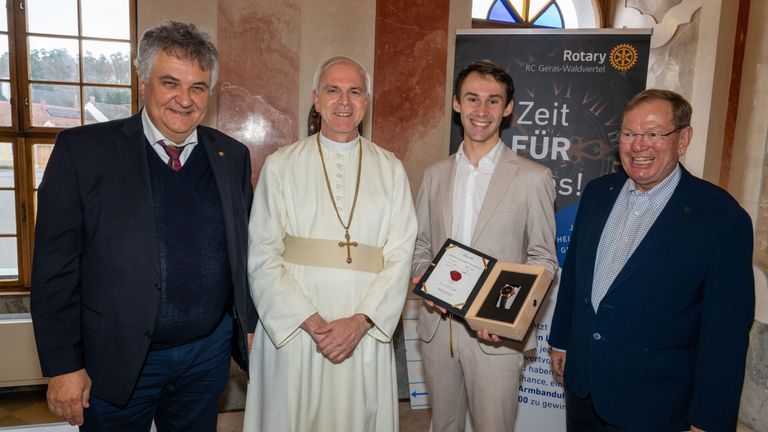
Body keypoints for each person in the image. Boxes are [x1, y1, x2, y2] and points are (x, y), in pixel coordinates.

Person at [30, 21, 256, 431]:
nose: (184, 100)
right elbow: (54, 271)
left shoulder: (232, 157)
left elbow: (246, 255)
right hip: (115, 360)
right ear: (142, 81)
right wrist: (64, 366)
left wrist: (248, 327)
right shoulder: (83, 153)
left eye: (198, 87)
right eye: (170, 83)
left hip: (205, 358)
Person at [549, 89, 754, 431]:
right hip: (584, 389)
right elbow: (574, 277)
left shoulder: (721, 218)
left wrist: (709, 418)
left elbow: (726, 334)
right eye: (629, 133)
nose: (637, 145)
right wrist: (561, 340)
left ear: (683, 139)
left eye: (653, 134)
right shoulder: (599, 193)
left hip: (654, 404)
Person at [243, 56, 417, 432]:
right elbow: (261, 253)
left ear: (366, 102)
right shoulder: (281, 165)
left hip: (363, 332)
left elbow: (401, 255)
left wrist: (359, 322)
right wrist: (310, 321)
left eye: (354, 92)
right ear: (316, 99)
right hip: (298, 331)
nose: (344, 101)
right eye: (332, 90)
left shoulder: (391, 169)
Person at [412, 59, 558, 431]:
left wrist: (510, 317)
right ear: (457, 104)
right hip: (438, 327)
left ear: (508, 109)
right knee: (443, 425)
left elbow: (544, 260)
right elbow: (422, 246)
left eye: (493, 101)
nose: (482, 110)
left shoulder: (533, 178)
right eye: (472, 99)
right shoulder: (434, 174)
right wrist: (422, 280)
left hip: (495, 336)